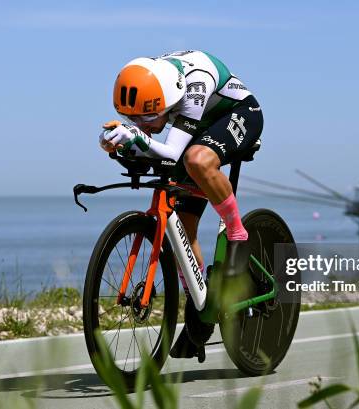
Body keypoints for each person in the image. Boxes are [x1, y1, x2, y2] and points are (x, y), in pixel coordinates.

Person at [99, 50, 263, 360]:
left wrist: (136, 136)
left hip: (236, 114)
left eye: (148, 117)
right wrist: (114, 142)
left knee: (196, 160)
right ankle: (199, 302)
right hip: (192, 128)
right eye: (132, 117)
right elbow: (148, 143)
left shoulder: (194, 85)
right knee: (182, 231)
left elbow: (173, 153)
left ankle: (238, 231)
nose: (142, 123)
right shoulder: (152, 87)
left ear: (169, 100)